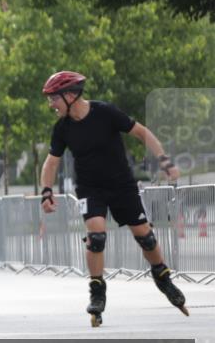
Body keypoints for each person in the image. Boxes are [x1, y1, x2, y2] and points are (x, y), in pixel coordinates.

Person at [38, 71, 188, 326]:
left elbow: (142, 133)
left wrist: (164, 160)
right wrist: (46, 191)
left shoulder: (105, 113)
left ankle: (162, 277)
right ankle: (97, 293)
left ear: (70, 95)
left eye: (54, 98)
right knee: (96, 237)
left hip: (121, 185)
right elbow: (51, 162)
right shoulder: (62, 128)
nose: (51, 104)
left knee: (146, 237)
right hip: (89, 188)